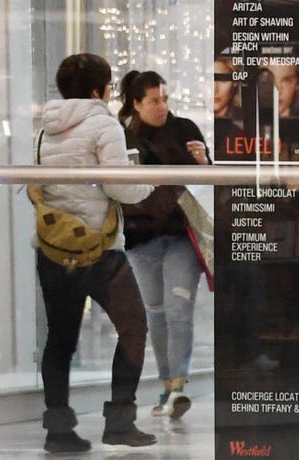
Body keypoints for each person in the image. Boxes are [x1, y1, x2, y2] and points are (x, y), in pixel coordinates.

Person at [34, 54, 153, 454]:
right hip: (99, 252)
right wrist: (148, 186)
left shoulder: (46, 127)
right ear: (98, 90)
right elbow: (119, 187)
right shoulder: (104, 125)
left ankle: (58, 430)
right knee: (134, 328)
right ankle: (119, 422)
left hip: (54, 249)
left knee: (60, 340)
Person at [118, 70, 207, 424]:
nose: (162, 106)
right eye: (154, 100)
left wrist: (203, 161)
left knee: (178, 309)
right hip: (141, 238)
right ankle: (166, 386)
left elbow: (205, 183)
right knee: (155, 312)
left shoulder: (185, 130)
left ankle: (177, 386)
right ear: (136, 103)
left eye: (165, 98)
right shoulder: (124, 135)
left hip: (182, 235)